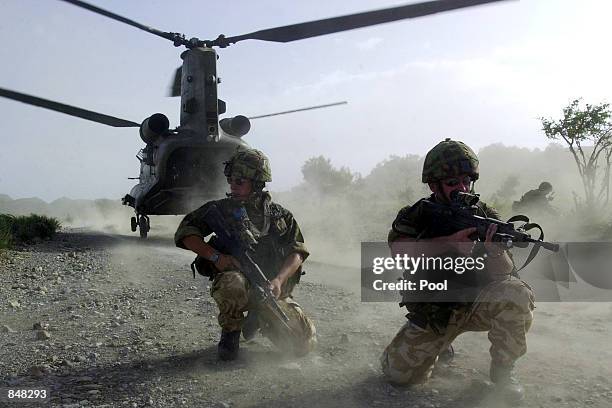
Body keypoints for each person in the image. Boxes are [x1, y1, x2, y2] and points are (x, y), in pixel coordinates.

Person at [380, 138, 535, 404]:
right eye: (453, 182)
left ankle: (503, 373)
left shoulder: (484, 214)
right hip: (434, 310)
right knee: (398, 376)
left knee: (516, 293)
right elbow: (400, 252)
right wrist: (449, 244)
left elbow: (506, 273)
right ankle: (441, 347)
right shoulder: (417, 214)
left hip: (476, 305)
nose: (462, 188)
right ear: (434, 184)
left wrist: (495, 250)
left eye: (466, 181)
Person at [174, 148, 316, 360]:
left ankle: (264, 321)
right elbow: (185, 233)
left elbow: (297, 252)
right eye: (230, 179)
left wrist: (279, 280)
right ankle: (231, 332)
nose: (232, 185)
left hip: (271, 289)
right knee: (232, 282)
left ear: (257, 183)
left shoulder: (280, 215)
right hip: (240, 284)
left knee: (302, 344)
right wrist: (217, 257)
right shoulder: (219, 210)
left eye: (239, 181)